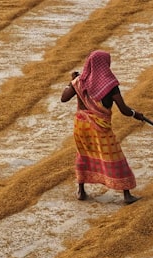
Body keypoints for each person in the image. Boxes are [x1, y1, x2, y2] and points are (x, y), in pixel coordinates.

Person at [61, 50, 146, 204]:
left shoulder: (80, 82)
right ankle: (126, 195)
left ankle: (81, 190)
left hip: (82, 126)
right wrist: (136, 114)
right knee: (115, 156)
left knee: (84, 154)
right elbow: (124, 110)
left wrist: (72, 81)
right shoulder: (110, 85)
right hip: (100, 127)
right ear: (106, 64)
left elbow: (64, 98)